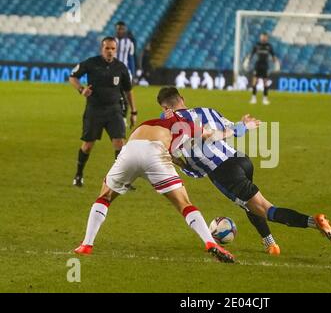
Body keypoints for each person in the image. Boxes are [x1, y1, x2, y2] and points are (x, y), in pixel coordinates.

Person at [157, 87, 331, 252]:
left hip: (223, 172)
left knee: (266, 208)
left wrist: (177, 162)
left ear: (166, 109)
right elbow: (233, 128)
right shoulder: (208, 111)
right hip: (241, 160)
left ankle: (314, 222)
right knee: (247, 203)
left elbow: (196, 169)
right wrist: (244, 124)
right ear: (182, 98)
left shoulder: (173, 125)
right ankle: (269, 242)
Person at [74, 112, 235, 263]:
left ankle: (86, 245)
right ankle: (210, 243)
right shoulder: (184, 123)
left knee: (104, 197)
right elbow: (210, 135)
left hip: (131, 149)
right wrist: (232, 131)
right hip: (155, 152)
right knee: (184, 204)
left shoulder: (149, 123)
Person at [69, 37, 137, 187]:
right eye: (107, 48)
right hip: (94, 110)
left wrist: (134, 112)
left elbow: (128, 91)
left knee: (120, 143)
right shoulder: (91, 63)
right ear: (102, 49)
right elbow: (73, 77)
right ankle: (78, 175)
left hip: (114, 110)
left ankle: (121, 179)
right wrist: (81, 89)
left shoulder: (121, 67)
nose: (110, 51)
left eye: (113, 49)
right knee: (87, 145)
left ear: (116, 50)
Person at [245, 33, 279, 105]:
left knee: (265, 82)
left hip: (265, 66)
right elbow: (251, 54)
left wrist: (276, 64)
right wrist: (247, 61)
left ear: (267, 38)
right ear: (260, 37)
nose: (263, 38)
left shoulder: (269, 46)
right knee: (255, 81)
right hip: (257, 65)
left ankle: (265, 99)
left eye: (265, 37)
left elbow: (273, 56)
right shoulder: (257, 45)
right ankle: (253, 98)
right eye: (262, 37)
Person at [115, 21, 136, 124]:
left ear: (125, 30)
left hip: (125, 72)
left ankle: (123, 118)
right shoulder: (111, 41)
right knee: (113, 95)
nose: (120, 31)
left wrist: (133, 74)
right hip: (112, 72)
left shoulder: (129, 43)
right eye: (118, 28)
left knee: (125, 95)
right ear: (116, 29)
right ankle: (114, 116)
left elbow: (131, 59)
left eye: (122, 29)